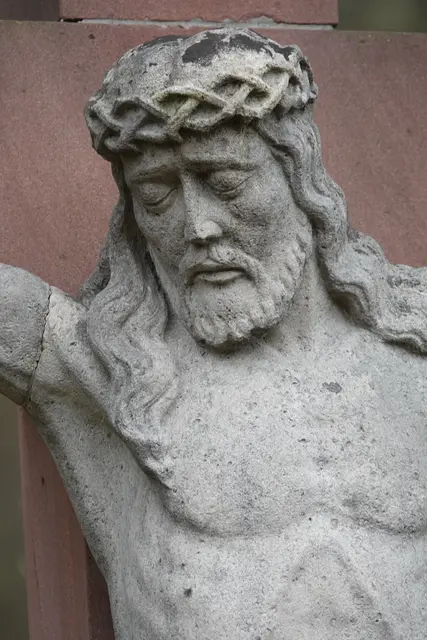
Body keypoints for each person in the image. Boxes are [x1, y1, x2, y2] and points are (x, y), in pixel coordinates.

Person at [1, 28, 426, 639]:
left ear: (299, 176)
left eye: (226, 183)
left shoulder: (412, 346)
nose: (198, 227)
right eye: (157, 197)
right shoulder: (116, 369)